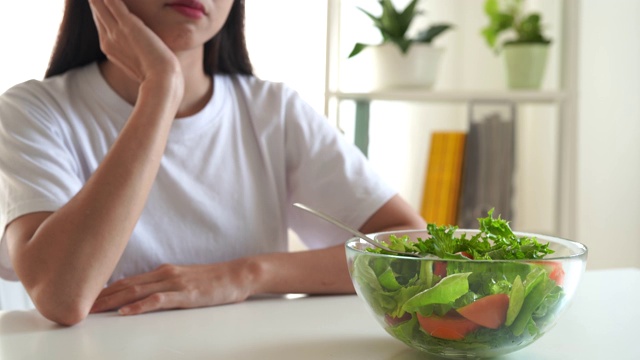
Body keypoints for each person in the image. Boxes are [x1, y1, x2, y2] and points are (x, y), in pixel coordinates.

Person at [0, 0, 425, 326]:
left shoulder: (274, 110)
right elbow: (60, 295)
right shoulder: (33, 111)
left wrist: (244, 275)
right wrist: (161, 89)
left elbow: (409, 245)